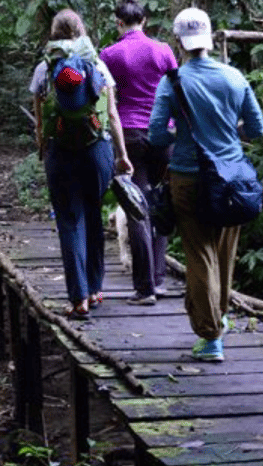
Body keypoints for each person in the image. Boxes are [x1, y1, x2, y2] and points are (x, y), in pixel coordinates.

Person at [148, 7, 263, 361]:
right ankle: (219, 319)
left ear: (178, 40)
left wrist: (179, 131)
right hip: (232, 178)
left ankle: (211, 336)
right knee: (225, 256)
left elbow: (155, 135)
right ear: (210, 38)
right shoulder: (233, 77)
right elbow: (257, 129)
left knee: (200, 257)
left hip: (189, 178)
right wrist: (229, 131)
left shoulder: (173, 82)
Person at [29, 9, 133, 320]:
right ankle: (96, 289)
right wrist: (122, 154)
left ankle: (78, 299)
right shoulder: (97, 64)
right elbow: (112, 115)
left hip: (60, 152)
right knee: (92, 215)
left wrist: (41, 146)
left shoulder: (44, 68)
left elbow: (39, 120)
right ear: (81, 30)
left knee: (69, 221)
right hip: (96, 149)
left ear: (55, 33)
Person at [100, 0, 178, 306]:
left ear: (119, 23)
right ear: (144, 21)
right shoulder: (163, 51)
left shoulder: (109, 54)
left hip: (129, 134)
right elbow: (177, 90)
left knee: (136, 207)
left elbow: (103, 98)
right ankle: (158, 280)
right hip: (163, 133)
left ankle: (144, 288)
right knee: (160, 202)